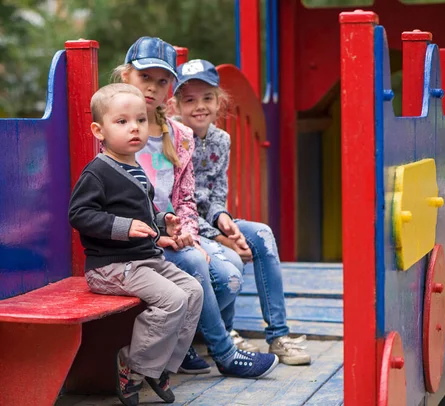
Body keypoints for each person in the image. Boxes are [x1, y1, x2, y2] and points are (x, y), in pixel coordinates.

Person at [114, 37, 279, 379]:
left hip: (175, 232)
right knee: (196, 262)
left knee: (230, 273)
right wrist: (179, 239)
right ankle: (225, 353)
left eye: (162, 81)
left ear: (169, 89)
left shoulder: (181, 135)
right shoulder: (115, 130)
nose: (153, 88)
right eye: (145, 78)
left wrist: (189, 233)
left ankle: (188, 340)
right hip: (136, 240)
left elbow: (186, 197)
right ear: (126, 76)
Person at [68, 83, 204, 406]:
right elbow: (79, 214)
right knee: (172, 299)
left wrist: (161, 222)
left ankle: (159, 367)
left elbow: (142, 212)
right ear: (98, 131)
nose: (135, 128)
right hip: (111, 265)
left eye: (141, 121)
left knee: (193, 291)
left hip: (144, 261)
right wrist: (124, 227)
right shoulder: (97, 172)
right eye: (122, 122)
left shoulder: (135, 167)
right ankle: (132, 364)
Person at [172, 59, 311, 366]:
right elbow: (180, 204)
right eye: (190, 100)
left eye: (207, 98)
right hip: (186, 228)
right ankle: (227, 331)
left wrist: (224, 220)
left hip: (211, 223)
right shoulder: (174, 140)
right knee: (232, 257)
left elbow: (218, 192)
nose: (200, 107)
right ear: (176, 105)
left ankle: (278, 335)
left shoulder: (222, 140)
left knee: (261, 233)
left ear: (219, 101)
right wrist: (221, 239)